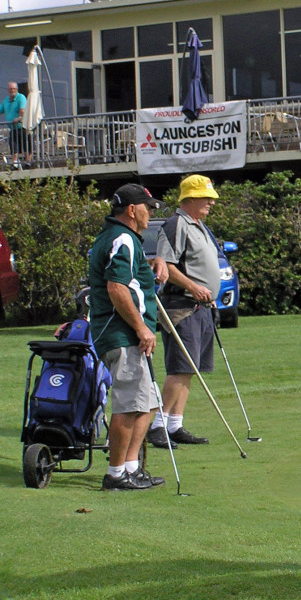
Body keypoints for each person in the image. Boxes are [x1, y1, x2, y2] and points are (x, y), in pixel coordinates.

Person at [89, 183, 169, 490]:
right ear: (132, 210)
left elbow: (129, 277)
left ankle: (131, 467)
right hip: (121, 333)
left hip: (129, 334)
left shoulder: (123, 239)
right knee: (128, 406)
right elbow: (116, 287)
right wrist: (140, 327)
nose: (150, 213)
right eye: (148, 208)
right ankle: (115, 473)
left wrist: (154, 264)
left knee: (147, 402)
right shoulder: (122, 237)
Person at [147, 174, 223, 449]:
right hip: (183, 306)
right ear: (189, 198)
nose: (210, 203)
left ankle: (174, 424)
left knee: (192, 369)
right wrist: (194, 286)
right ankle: (157, 427)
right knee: (180, 367)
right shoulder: (176, 224)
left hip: (202, 307)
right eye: (206, 198)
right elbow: (166, 265)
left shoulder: (199, 226)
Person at [2, 81, 32, 168]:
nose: (12, 90)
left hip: (23, 126)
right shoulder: (6, 100)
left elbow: (22, 110)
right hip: (13, 128)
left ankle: (28, 162)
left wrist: (19, 118)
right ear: (8, 90)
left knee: (26, 144)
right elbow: (1, 110)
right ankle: (15, 163)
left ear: (17, 89)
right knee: (13, 145)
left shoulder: (21, 97)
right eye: (11, 89)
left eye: (14, 88)